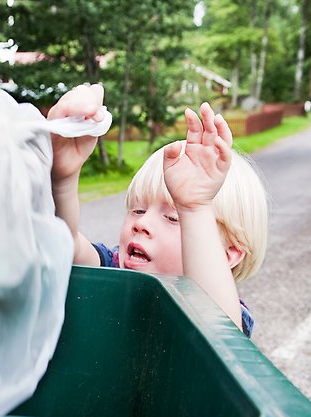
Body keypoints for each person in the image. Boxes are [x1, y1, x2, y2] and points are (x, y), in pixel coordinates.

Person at [47, 83, 268, 336]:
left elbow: (220, 334)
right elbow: (65, 242)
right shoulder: (115, 268)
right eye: (138, 211)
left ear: (227, 255)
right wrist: (63, 179)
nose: (142, 224)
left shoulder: (220, 310)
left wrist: (195, 208)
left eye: (174, 218)